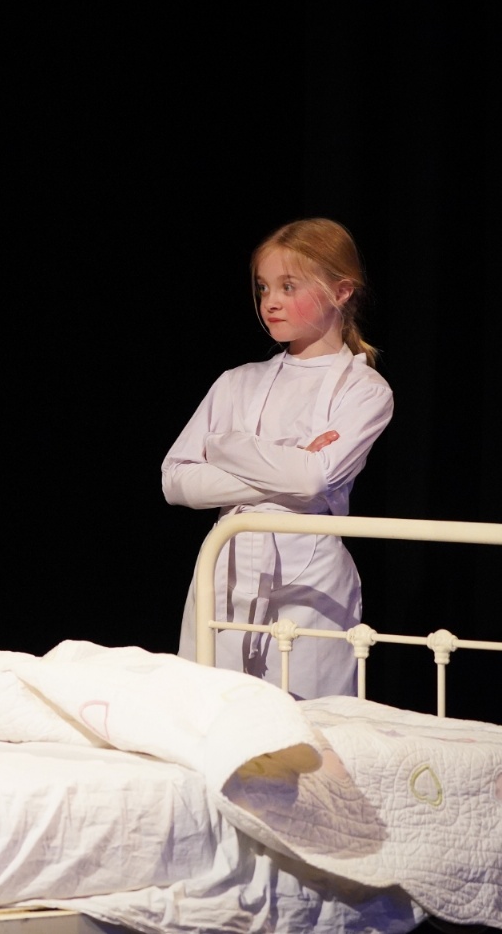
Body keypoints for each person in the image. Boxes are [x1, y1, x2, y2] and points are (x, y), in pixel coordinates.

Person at [161, 217, 392, 698]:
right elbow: (176, 480)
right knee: (210, 708)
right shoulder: (237, 382)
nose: (271, 301)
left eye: (289, 286)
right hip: (225, 569)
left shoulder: (365, 390)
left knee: (308, 717)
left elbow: (312, 483)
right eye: (264, 287)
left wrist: (226, 448)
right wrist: (287, 462)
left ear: (341, 291)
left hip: (310, 582)